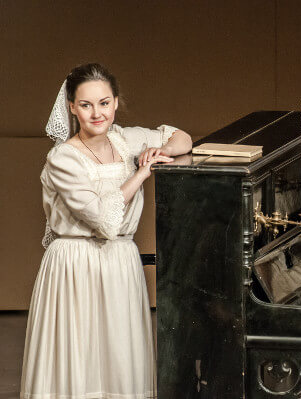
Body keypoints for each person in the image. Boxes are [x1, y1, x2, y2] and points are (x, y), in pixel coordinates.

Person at [20, 63, 192, 399]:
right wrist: (142, 173)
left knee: (117, 355)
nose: (97, 113)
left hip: (119, 261)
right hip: (76, 263)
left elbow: (182, 138)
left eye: (104, 102)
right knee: (79, 356)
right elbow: (102, 218)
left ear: (115, 102)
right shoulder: (63, 159)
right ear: (72, 107)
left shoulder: (126, 139)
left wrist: (161, 151)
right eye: (86, 105)